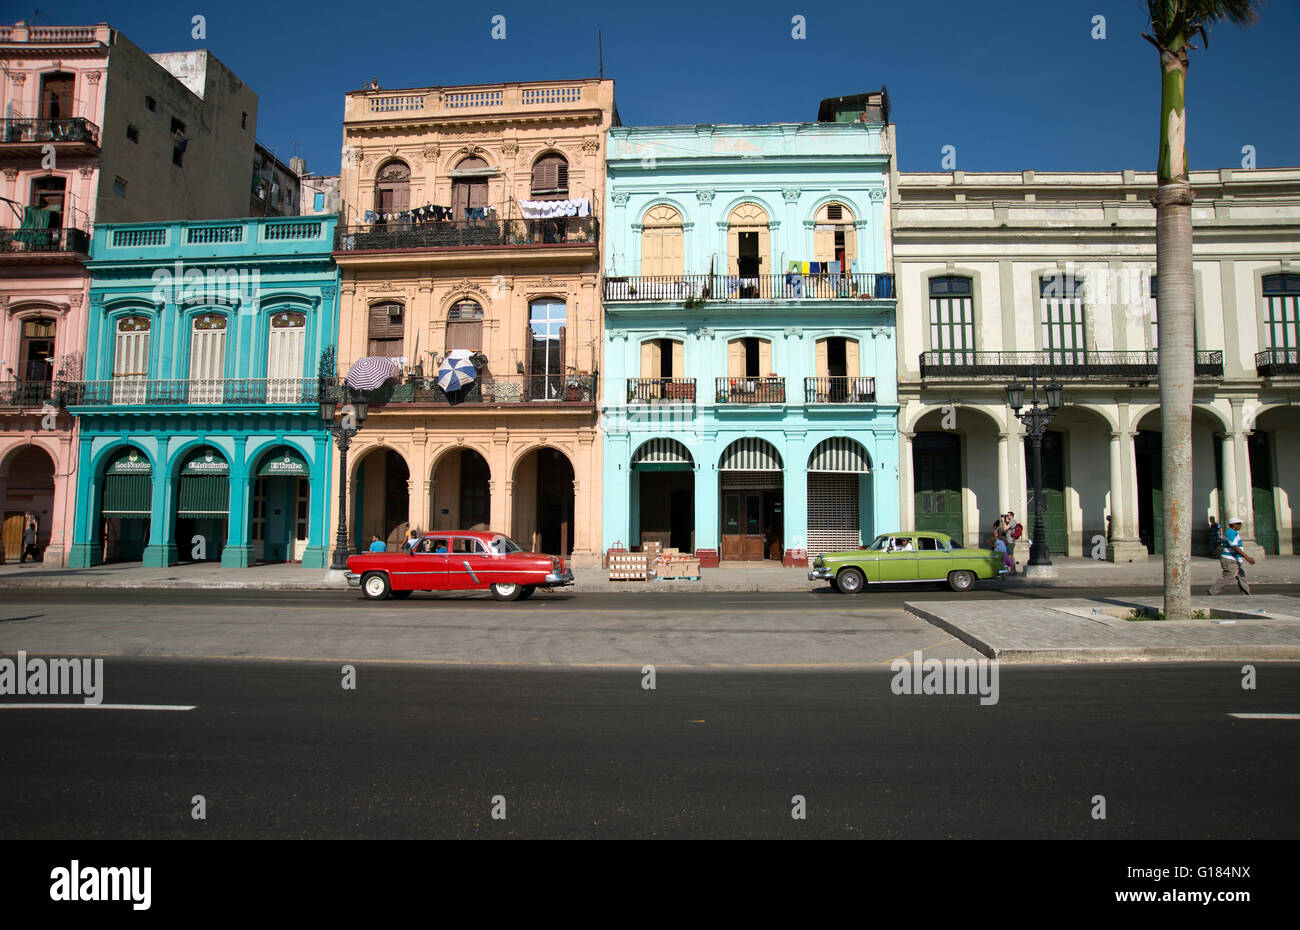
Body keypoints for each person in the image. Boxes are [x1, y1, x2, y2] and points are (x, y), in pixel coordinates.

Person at [1208, 516, 1254, 595]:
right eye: (1238, 524)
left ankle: (1247, 594)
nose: (1240, 525)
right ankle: (1212, 591)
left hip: (1235, 559)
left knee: (1242, 577)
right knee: (1229, 576)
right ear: (1233, 525)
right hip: (1230, 559)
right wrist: (1247, 557)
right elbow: (1235, 547)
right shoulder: (1231, 533)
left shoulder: (1234, 533)